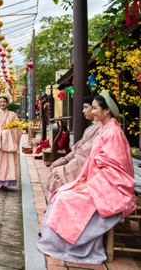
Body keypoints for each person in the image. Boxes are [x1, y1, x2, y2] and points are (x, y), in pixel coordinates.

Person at [37, 90, 136, 264]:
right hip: (97, 182)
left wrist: (92, 185)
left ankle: (69, 243)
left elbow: (115, 169)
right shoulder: (106, 129)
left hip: (109, 187)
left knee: (68, 198)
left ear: (106, 111)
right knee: (62, 193)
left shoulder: (113, 132)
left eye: (95, 108)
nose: (92, 111)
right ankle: (58, 239)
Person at [48, 96, 102, 194]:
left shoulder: (102, 129)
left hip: (87, 167)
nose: (83, 111)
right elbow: (77, 150)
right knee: (56, 172)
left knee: (58, 177)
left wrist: (66, 167)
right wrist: (64, 160)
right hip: (80, 161)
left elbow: (85, 154)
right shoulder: (90, 128)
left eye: (87, 107)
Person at [0, 94, 23, 192]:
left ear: (7, 103)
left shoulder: (13, 115)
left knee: (8, 162)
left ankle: (6, 183)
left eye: (4, 102)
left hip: (9, 142)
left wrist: (8, 132)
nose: (2, 103)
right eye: (0, 102)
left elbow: (18, 128)